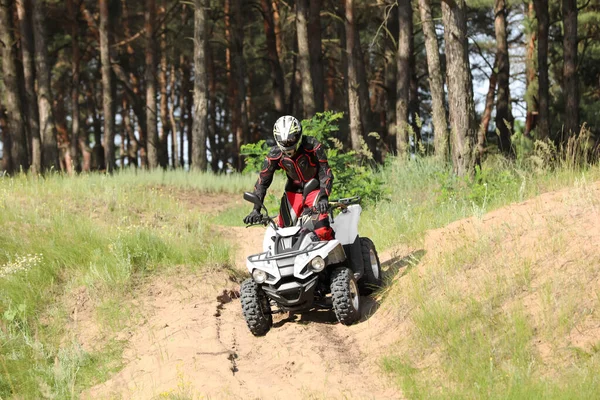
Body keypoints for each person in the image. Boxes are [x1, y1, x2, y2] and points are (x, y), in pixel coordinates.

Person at [243, 115, 334, 241]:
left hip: (315, 189)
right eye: (283, 141)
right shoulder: (274, 155)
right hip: (293, 193)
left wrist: (323, 197)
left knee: (322, 230)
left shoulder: (312, 146)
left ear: (298, 135)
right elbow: (262, 182)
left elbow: (325, 172)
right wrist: (255, 210)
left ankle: (335, 256)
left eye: (291, 139)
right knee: (282, 233)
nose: (287, 144)